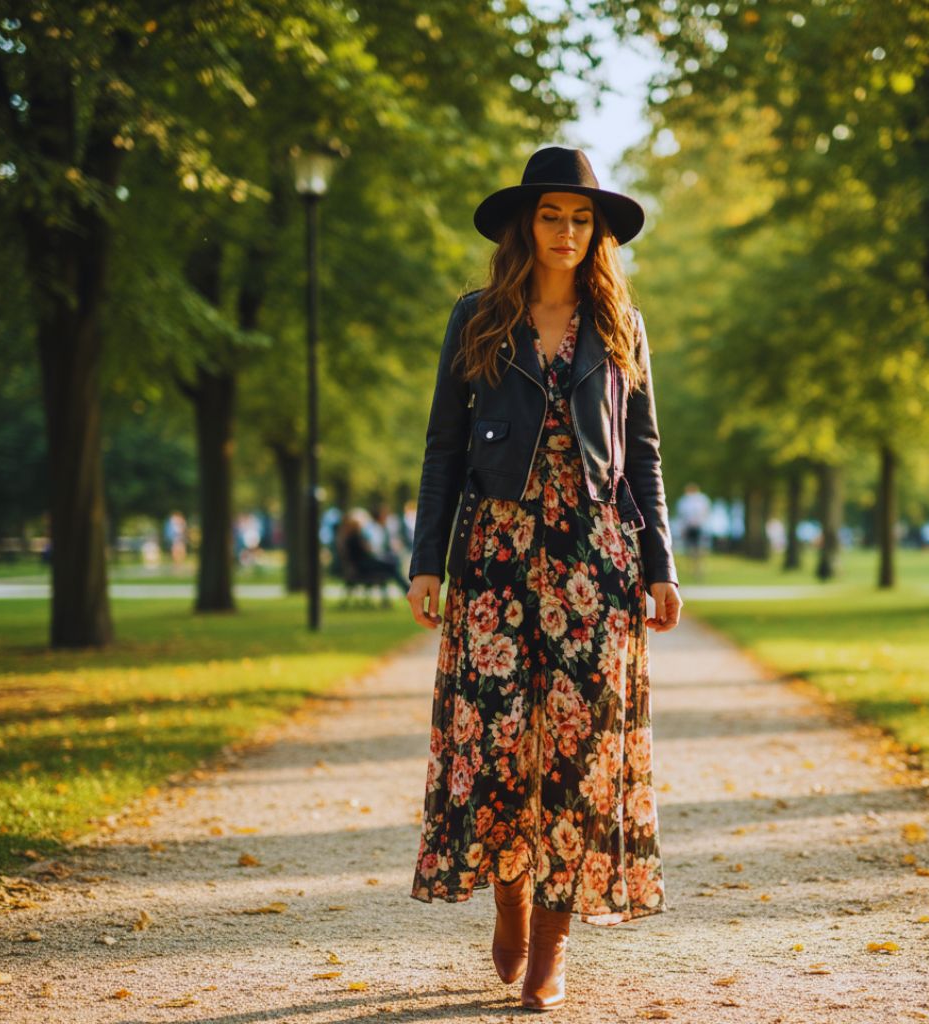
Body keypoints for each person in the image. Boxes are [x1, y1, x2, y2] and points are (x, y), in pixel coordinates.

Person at [406, 146, 682, 1012]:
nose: (567, 230)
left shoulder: (621, 325)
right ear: (527, 224)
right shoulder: (477, 318)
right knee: (494, 747)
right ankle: (512, 904)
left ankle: (552, 951)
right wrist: (426, 561)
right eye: (552, 214)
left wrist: (661, 564)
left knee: (578, 753)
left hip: (594, 563)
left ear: (597, 231)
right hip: (493, 556)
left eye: (582, 217)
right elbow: (443, 449)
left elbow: (643, 455)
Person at [676, 482, 711, 579]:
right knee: (690, 550)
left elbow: (706, 513)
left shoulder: (702, 500)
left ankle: (699, 569)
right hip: (689, 528)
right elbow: (682, 516)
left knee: (700, 550)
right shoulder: (684, 501)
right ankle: (692, 568)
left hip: (699, 527)